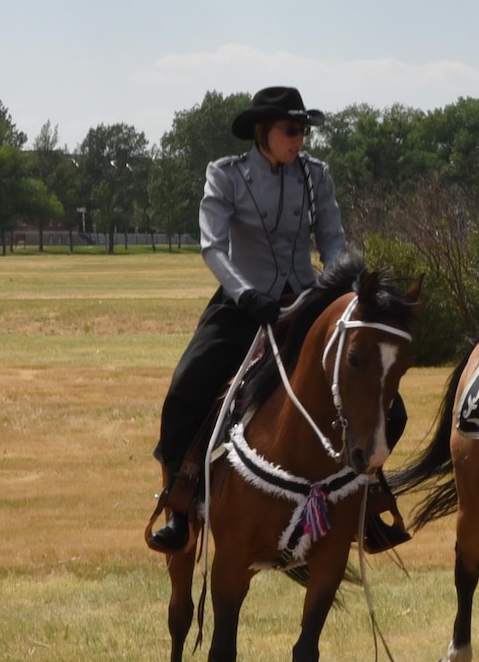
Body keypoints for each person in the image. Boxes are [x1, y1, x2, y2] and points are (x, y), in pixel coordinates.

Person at [148, 86, 408, 554]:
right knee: (186, 389)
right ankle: (181, 503)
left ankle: (364, 499)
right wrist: (246, 294)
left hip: (307, 304)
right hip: (242, 303)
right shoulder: (225, 175)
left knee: (384, 401)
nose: (300, 139)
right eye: (291, 130)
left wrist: (344, 286)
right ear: (262, 131)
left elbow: (332, 240)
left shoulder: (316, 175)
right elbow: (212, 245)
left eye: (303, 130)